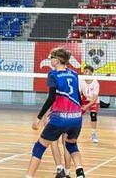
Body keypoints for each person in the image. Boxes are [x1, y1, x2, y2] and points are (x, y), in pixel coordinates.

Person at [25, 47, 85, 178]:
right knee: (71, 145)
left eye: (51, 58)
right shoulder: (74, 74)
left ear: (57, 60)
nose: (50, 60)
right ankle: (80, 173)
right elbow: (78, 97)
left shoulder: (53, 75)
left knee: (39, 147)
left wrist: (38, 117)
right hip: (76, 117)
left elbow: (51, 97)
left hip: (60, 118)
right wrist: (78, 114)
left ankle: (28, 176)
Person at [80, 65, 100, 144]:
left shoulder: (96, 83)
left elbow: (94, 99)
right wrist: (80, 103)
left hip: (93, 100)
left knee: (93, 115)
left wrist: (86, 106)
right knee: (77, 115)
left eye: (87, 71)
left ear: (91, 73)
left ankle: (93, 134)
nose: (85, 73)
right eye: (84, 71)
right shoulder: (81, 81)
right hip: (85, 99)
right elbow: (80, 93)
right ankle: (74, 132)